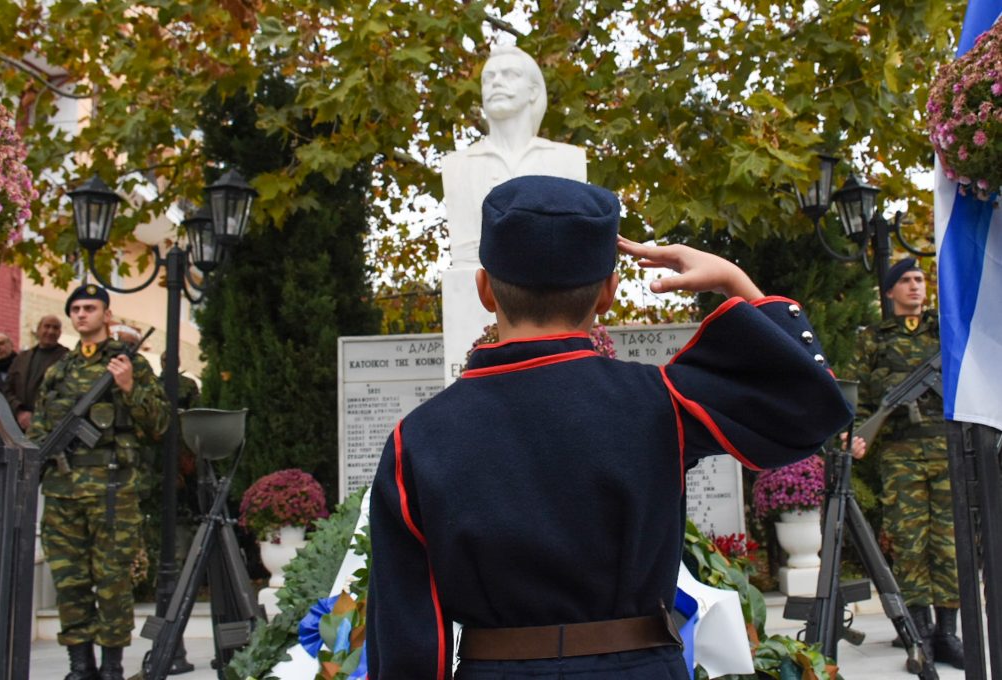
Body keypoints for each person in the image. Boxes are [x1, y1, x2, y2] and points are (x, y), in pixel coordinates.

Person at [366, 175, 853, 678]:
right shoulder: (662, 400)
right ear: (607, 294)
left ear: (485, 290)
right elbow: (809, 404)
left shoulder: (416, 439)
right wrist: (735, 282)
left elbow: (408, 639)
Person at [28, 284, 168, 680]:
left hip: (112, 492)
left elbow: (159, 425)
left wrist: (128, 388)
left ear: (107, 314)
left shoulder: (130, 365)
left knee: (112, 581)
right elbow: (39, 432)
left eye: (90, 307)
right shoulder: (58, 372)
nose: (81, 314)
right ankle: (80, 666)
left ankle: (111, 668)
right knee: (69, 581)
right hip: (62, 492)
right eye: (75, 308)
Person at [844, 257, 964, 669]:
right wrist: (856, 432)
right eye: (907, 281)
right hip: (900, 455)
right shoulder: (874, 339)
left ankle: (948, 634)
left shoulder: (945, 331)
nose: (916, 287)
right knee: (909, 542)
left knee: (948, 543)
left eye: (920, 280)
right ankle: (920, 635)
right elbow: (856, 390)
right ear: (891, 291)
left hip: (947, 450)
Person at [442, 45, 587, 268]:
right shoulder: (456, 165)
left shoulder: (568, 160)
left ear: (533, 91)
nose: (496, 82)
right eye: (488, 78)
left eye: (510, 74)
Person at [2, 315, 69, 431]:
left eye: (55, 328)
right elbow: (7, 388)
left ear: (60, 332)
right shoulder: (22, 358)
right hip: (17, 426)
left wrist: (38, 417)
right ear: (38, 330)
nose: (51, 331)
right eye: (47, 326)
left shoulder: (67, 358)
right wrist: (20, 412)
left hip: (48, 427)